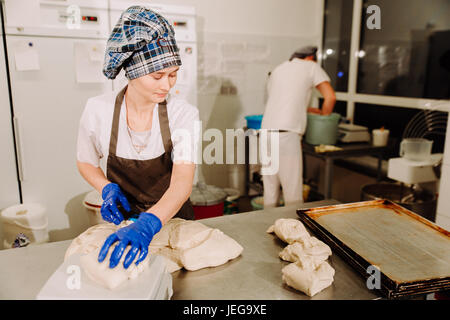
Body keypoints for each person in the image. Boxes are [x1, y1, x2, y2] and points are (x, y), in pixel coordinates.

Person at [76, 6, 199, 269]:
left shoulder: (183, 114)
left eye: (173, 74)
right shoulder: (98, 110)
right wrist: (105, 187)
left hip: (173, 221)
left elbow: (181, 183)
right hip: (123, 226)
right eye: (157, 76)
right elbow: (85, 161)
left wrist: (149, 223)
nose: (167, 85)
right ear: (132, 71)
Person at [260, 46, 336, 207]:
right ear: (310, 58)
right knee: (292, 192)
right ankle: (293, 230)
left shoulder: (278, 69)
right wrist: (324, 115)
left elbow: (283, 102)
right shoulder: (311, 67)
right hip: (286, 136)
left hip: (266, 132)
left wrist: (309, 110)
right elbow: (330, 98)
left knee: (270, 188)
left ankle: (265, 226)